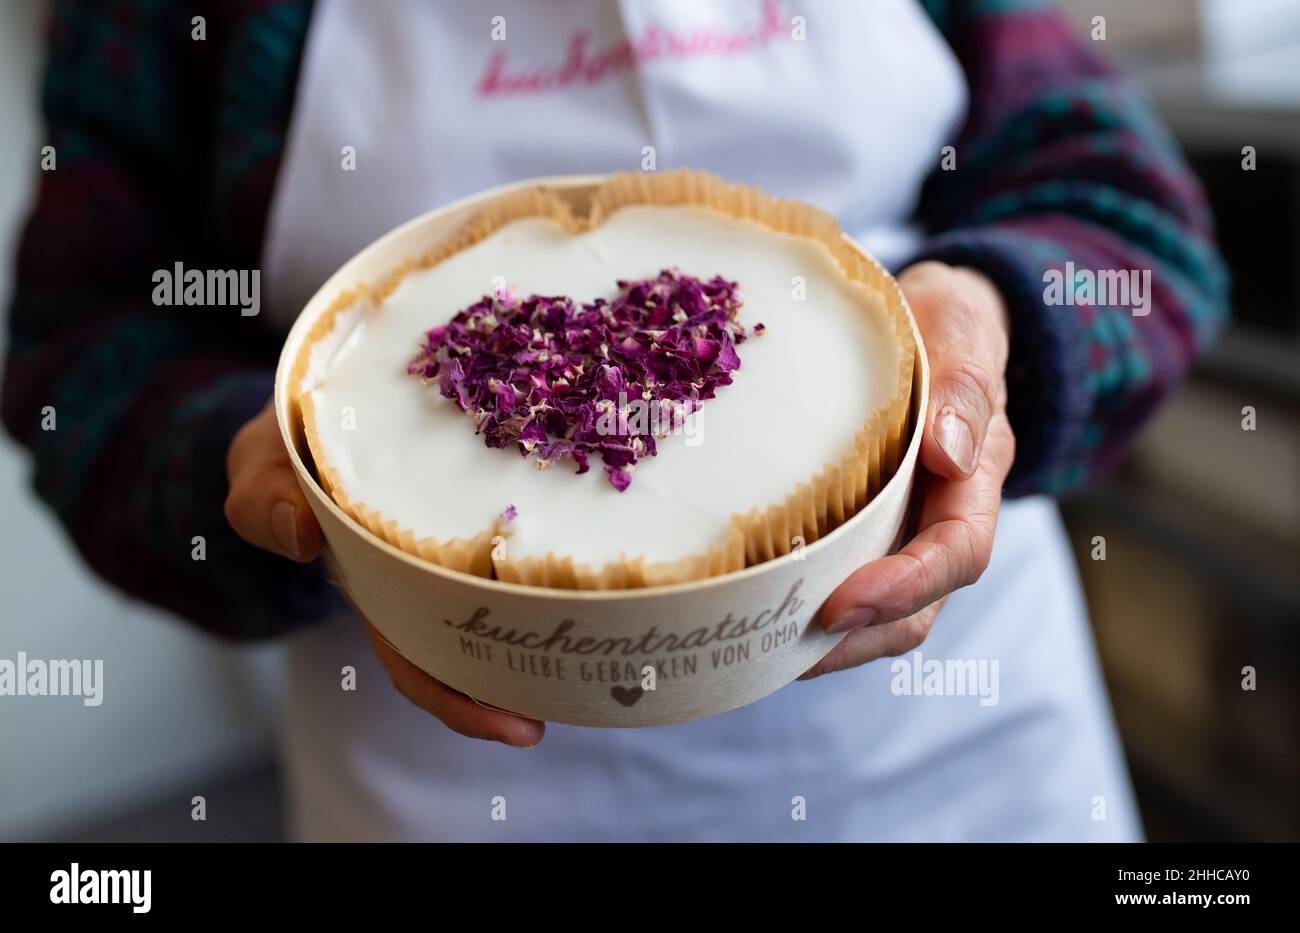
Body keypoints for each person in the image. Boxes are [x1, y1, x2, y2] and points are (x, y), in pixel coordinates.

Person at [3, 0, 1228, 841]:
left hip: (954, 761)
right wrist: (264, 467)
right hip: (455, 793)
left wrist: (989, 319)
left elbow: (1132, 220)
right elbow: (80, 358)